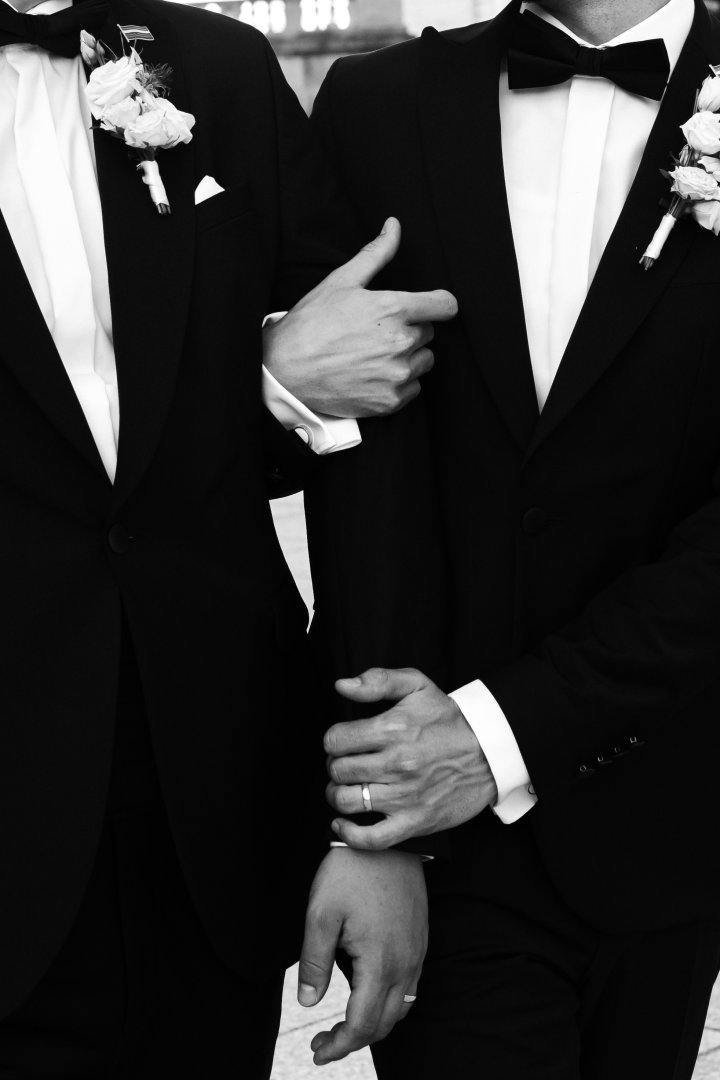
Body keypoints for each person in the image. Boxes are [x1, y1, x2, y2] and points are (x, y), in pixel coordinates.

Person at [0, 0, 456, 1073]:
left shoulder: (222, 68)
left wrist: (374, 826)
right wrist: (264, 386)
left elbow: (373, 433)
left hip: (209, 826)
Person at [296, 0, 720, 1075]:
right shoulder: (376, 106)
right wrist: (373, 828)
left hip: (674, 802)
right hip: (444, 848)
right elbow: (364, 494)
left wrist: (499, 737)